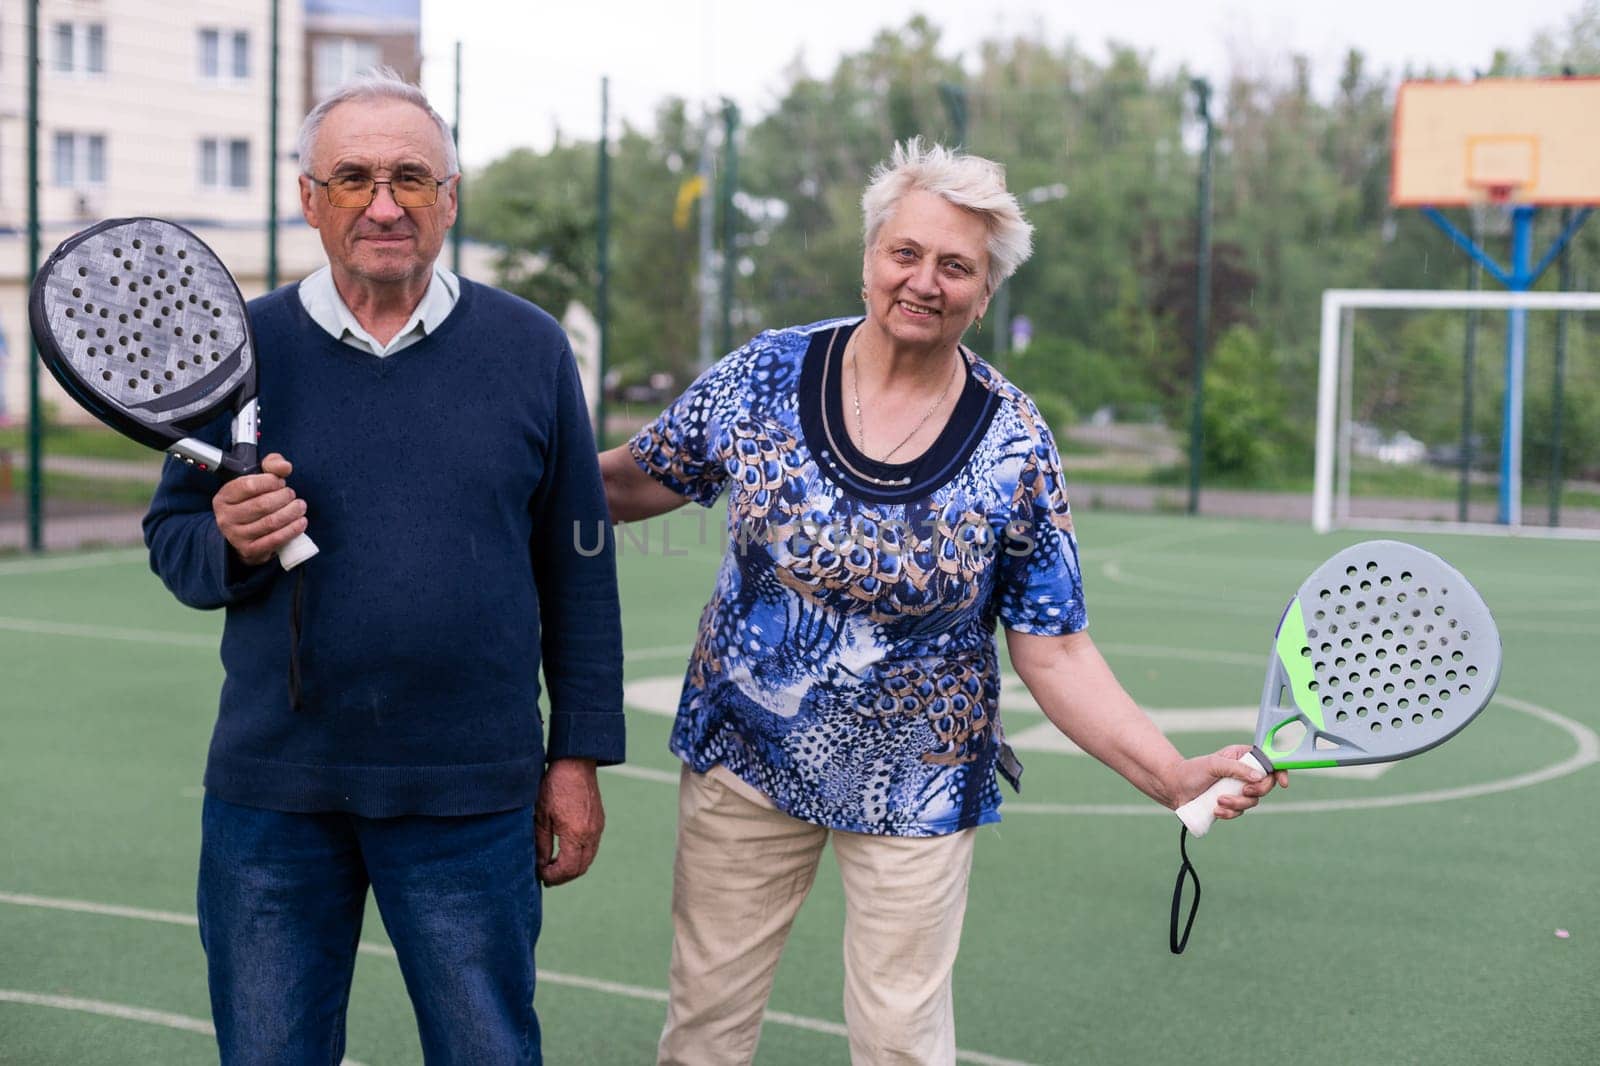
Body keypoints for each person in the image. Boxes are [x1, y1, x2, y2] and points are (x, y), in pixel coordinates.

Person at [599, 138, 1287, 1066]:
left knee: (901, 1044)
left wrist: (1169, 774)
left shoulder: (1014, 443)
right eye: (906, 253)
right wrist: (488, 468)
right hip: (744, 759)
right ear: (871, 255)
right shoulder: (763, 376)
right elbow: (633, 483)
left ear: (985, 291)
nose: (925, 281)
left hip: (918, 778)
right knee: (705, 1026)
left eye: (956, 266)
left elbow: (1057, 647)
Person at [143, 69, 623, 1065]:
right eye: (352, 177)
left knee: (488, 1050)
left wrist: (575, 757)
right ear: (309, 199)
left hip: (470, 791)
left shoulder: (530, 350)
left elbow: (578, 567)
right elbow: (175, 542)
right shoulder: (241, 349)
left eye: (412, 177)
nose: (385, 203)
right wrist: (230, 539)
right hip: (275, 790)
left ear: (450, 197)